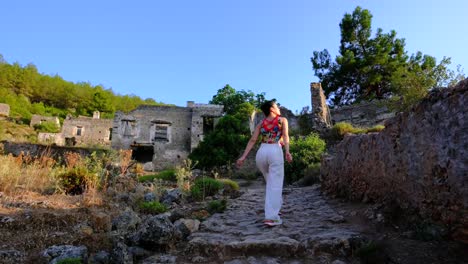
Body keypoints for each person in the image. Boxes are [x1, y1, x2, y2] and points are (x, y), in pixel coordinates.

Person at [236, 99, 292, 227]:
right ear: (272, 109)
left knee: (271, 182)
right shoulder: (282, 120)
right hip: (275, 150)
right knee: (275, 184)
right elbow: (286, 136)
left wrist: (243, 157)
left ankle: (276, 205)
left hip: (261, 153)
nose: (279, 108)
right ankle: (271, 217)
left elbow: (252, 140)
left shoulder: (260, 124)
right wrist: (287, 152)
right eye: (276, 106)